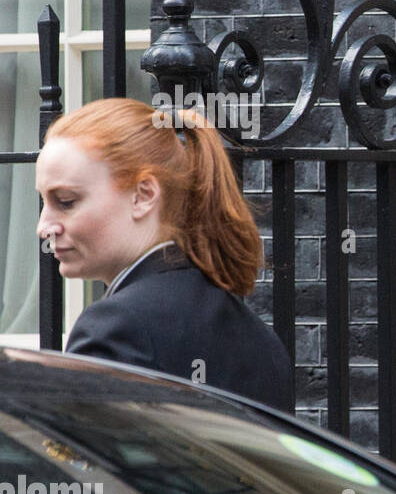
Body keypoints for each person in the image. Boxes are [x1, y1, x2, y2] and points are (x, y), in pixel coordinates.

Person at [35, 97, 293, 412]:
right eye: (44, 202)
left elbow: (87, 458)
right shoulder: (260, 339)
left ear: (143, 196)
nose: (44, 227)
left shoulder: (115, 328)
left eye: (66, 201)